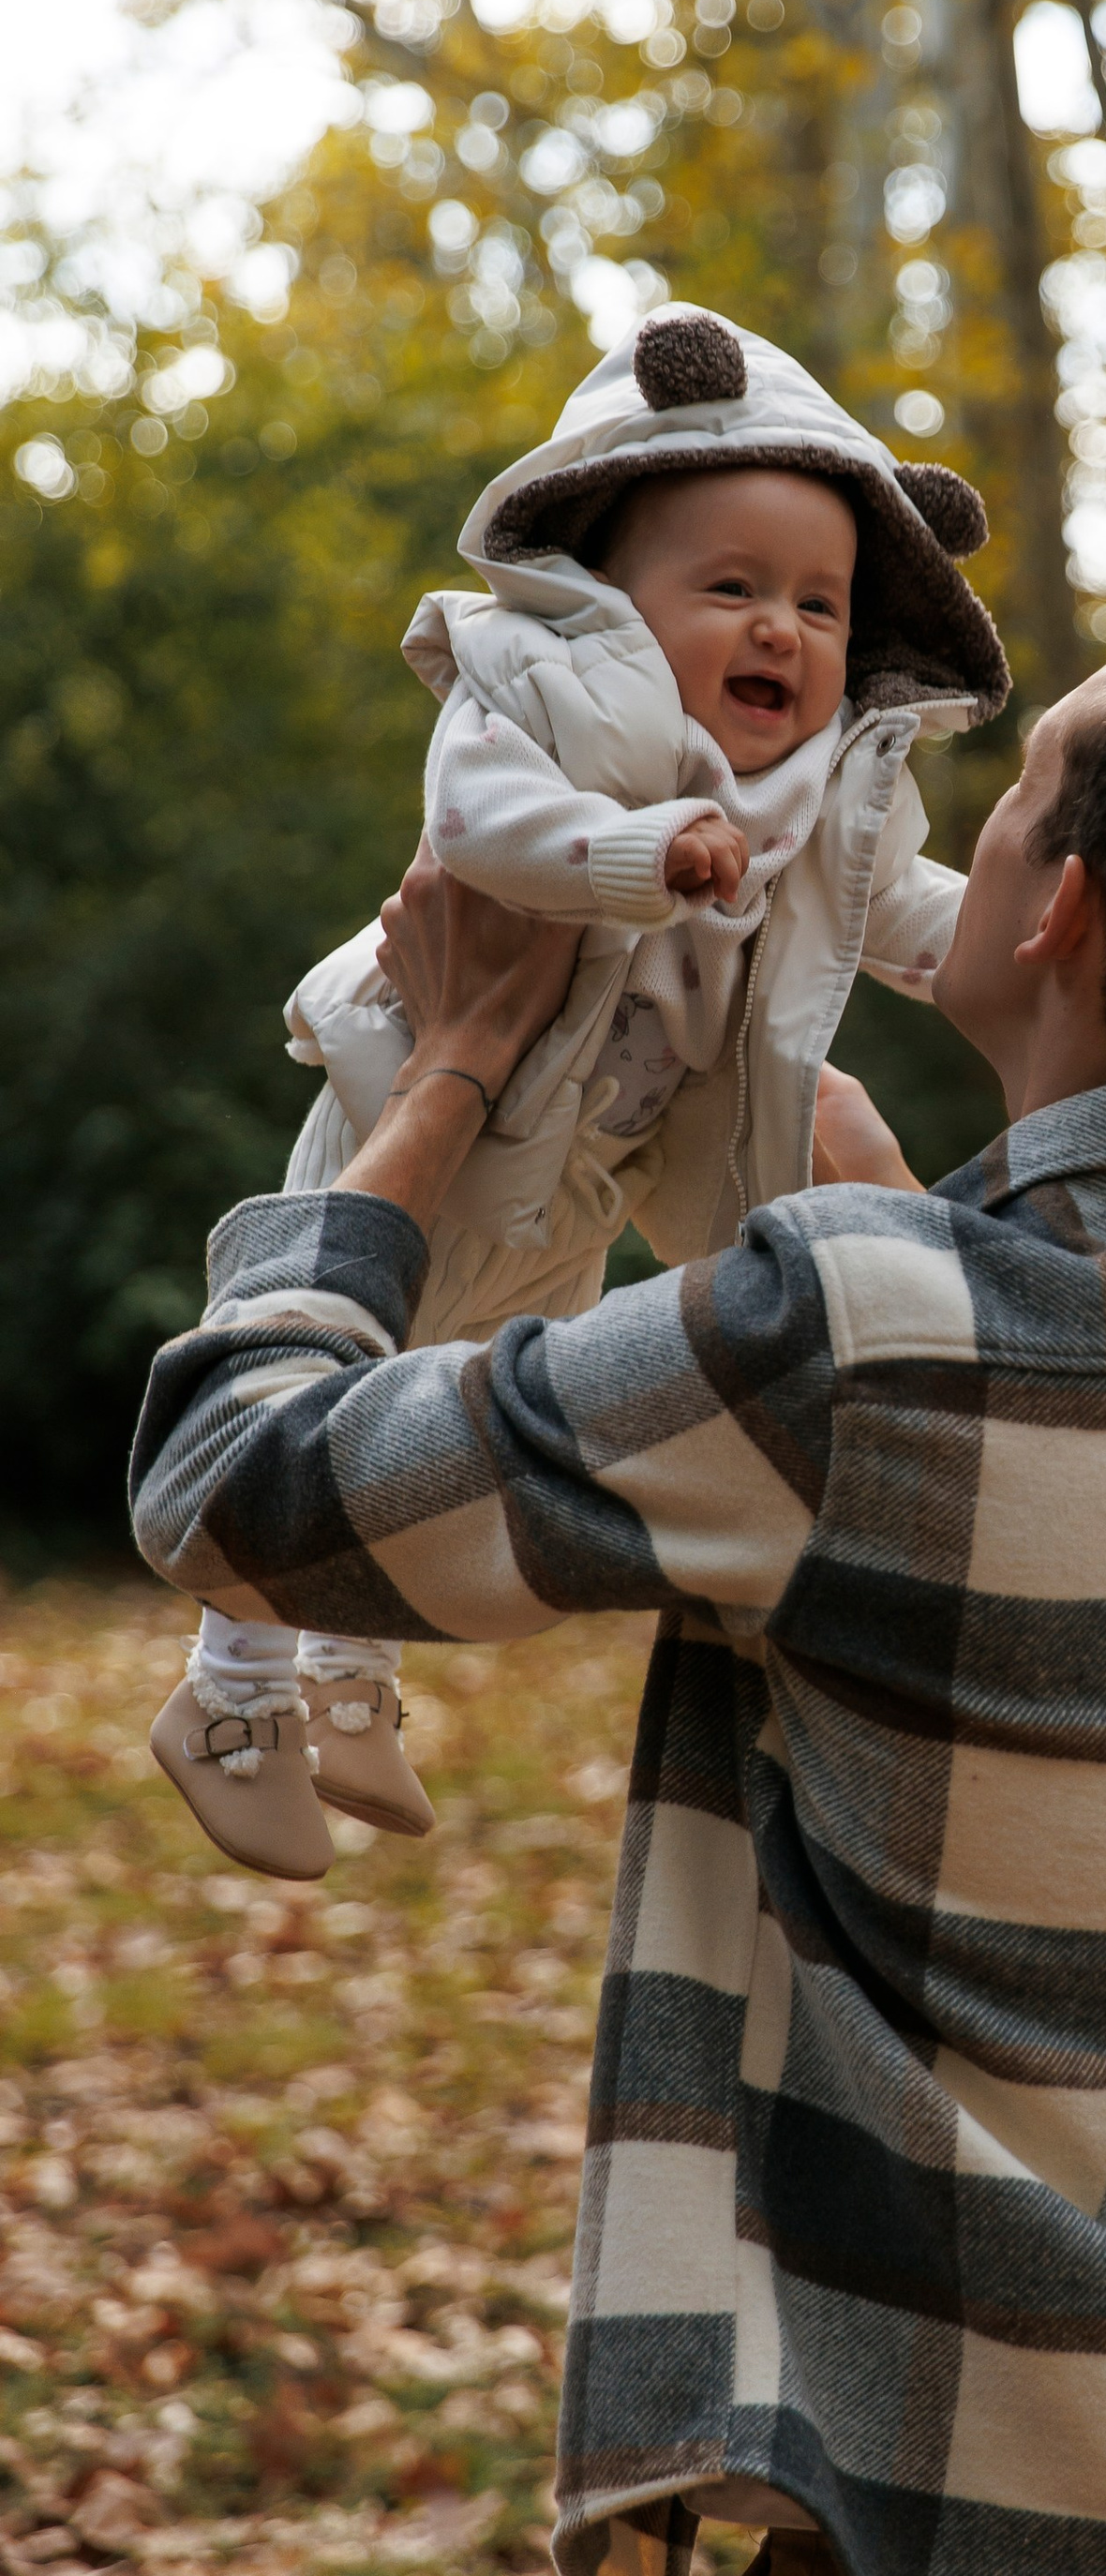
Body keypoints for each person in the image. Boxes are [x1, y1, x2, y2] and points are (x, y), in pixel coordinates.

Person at [130, 576, 1106, 2576]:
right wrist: (893, 1215)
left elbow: (242, 1488)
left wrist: (462, 1069)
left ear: (1061, 901)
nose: (958, 837)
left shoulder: (867, 1332)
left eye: (1012, 797)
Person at [149, 303, 1004, 1881]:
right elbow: (475, 822)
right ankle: (229, 1695)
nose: (784, 634)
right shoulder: (544, 692)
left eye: (821, 604)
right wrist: (632, 857)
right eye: (732, 587)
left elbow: (918, 917)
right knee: (343, 1335)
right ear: (609, 591)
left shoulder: (824, 792)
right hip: (419, 1082)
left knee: (444, 1388)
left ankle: (350, 1674)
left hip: (583, 1160)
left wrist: (1028, 952)